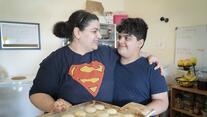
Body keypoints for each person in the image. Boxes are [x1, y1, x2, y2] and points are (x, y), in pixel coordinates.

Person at [29, 10, 161, 113]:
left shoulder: (106, 53)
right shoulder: (56, 60)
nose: (99, 35)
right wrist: (52, 105)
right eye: (94, 31)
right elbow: (37, 93)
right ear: (77, 33)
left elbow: (129, 52)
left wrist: (150, 56)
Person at [113, 18, 169, 116]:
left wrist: (138, 113)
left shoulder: (152, 68)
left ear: (140, 43)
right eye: (120, 36)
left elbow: (162, 102)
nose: (120, 41)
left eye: (127, 38)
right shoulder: (111, 61)